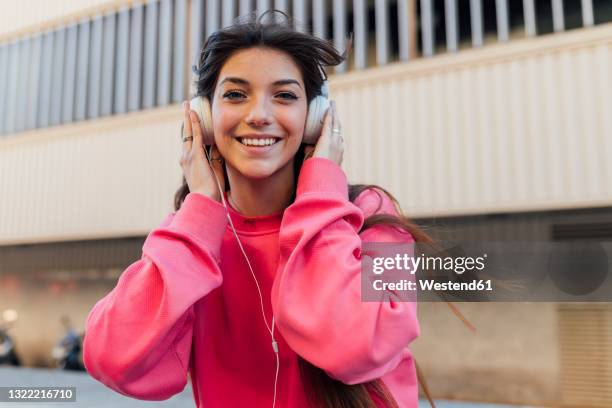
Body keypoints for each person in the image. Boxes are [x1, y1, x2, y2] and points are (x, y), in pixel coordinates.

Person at [83, 11, 435, 408]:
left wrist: (322, 194)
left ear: (317, 118)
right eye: (235, 94)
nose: (259, 115)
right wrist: (200, 206)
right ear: (202, 117)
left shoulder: (374, 216)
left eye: (284, 95)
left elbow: (357, 347)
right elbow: (114, 361)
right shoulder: (192, 239)